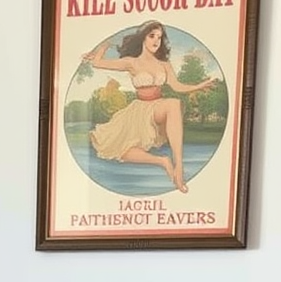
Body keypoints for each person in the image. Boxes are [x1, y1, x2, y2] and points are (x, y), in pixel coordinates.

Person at [81, 21, 215, 193]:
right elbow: (97, 63)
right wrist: (104, 46)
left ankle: (179, 167)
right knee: (123, 153)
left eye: (159, 37)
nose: (156, 41)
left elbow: (177, 87)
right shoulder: (131, 62)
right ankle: (163, 161)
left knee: (174, 104)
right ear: (143, 38)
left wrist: (199, 86)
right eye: (152, 36)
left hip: (158, 107)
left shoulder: (164, 64)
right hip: (138, 111)